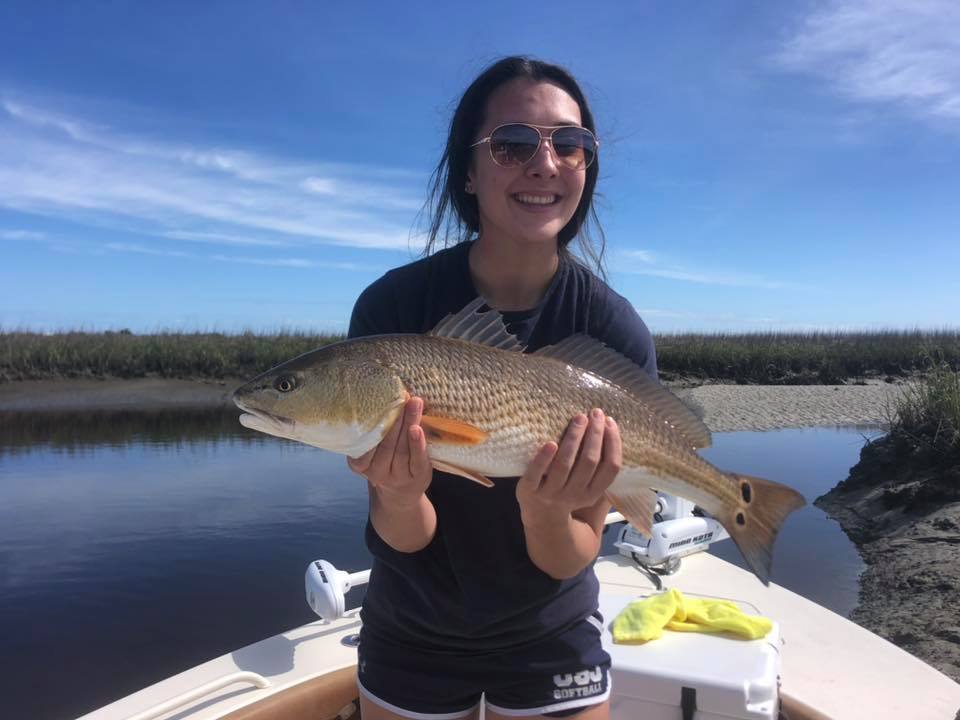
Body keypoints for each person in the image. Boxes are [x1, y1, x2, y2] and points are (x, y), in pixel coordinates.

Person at [346, 56, 657, 720]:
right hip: (412, 632)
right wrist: (399, 493)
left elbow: (571, 553)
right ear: (469, 170)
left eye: (570, 144)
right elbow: (405, 536)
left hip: (552, 633)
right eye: (514, 144)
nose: (545, 163)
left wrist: (546, 512)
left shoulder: (611, 328)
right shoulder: (391, 311)